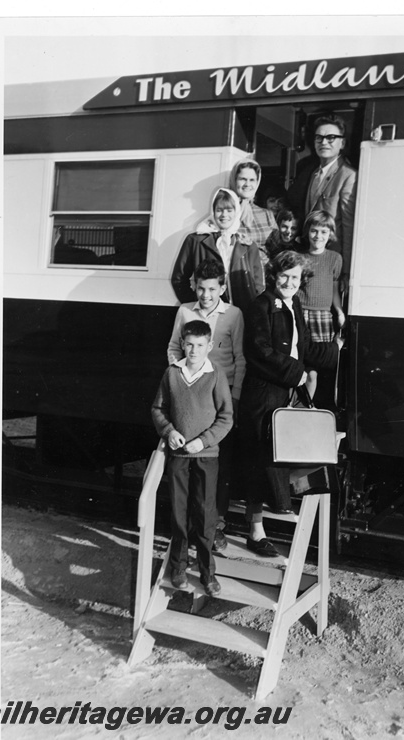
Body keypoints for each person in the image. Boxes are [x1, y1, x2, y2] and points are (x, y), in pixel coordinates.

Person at [238, 250, 343, 557]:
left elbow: (305, 346)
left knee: (282, 454)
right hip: (264, 394)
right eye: (284, 276)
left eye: (295, 277)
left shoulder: (294, 303)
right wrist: (297, 374)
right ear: (274, 276)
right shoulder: (260, 306)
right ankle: (256, 531)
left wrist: (336, 351)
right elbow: (258, 351)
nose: (289, 282)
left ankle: (280, 509)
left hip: (284, 391)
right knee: (263, 457)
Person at [167, 259, 245, 552]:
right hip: (190, 399)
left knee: (217, 467)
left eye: (212, 289)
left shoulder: (234, 315)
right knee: (187, 463)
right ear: (194, 287)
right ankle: (185, 529)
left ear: (222, 287)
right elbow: (174, 347)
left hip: (219, 400)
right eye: (201, 288)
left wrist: (233, 400)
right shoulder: (185, 311)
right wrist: (180, 380)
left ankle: (215, 527)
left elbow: (240, 359)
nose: (206, 295)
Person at [151, 320, 233, 596]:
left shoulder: (216, 375)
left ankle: (207, 572)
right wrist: (169, 431)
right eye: (189, 344)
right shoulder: (172, 373)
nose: (194, 350)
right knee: (178, 512)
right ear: (182, 344)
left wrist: (203, 441)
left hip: (206, 457)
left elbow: (226, 418)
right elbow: (158, 409)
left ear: (209, 346)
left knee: (205, 513)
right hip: (178, 456)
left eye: (200, 345)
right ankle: (178, 567)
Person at [289, 114, 357, 288]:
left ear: (342, 143)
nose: (324, 142)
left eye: (331, 138)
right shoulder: (311, 172)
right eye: (319, 137)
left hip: (332, 261)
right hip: (309, 256)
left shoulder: (348, 175)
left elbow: (348, 226)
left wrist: (347, 270)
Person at [171, 188, 264, 312]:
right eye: (219, 210)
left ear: (237, 212)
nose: (224, 215)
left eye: (229, 210)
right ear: (213, 212)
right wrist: (196, 304)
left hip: (242, 314)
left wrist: (252, 309)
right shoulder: (195, 241)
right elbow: (179, 278)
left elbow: (259, 284)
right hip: (208, 314)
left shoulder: (247, 245)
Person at [297, 210, 345, 404]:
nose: (318, 236)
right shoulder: (299, 257)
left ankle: (306, 408)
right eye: (314, 231)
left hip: (321, 318)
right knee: (298, 366)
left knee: (313, 371)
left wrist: (339, 311)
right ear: (308, 232)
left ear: (330, 234)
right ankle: (292, 406)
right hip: (300, 314)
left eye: (323, 232)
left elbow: (334, 288)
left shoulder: (334, 258)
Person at [229, 159, 278, 248]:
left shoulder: (267, 214)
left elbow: (277, 247)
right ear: (234, 180)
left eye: (252, 180)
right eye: (243, 179)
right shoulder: (227, 211)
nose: (247, 184)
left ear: (257, 182)